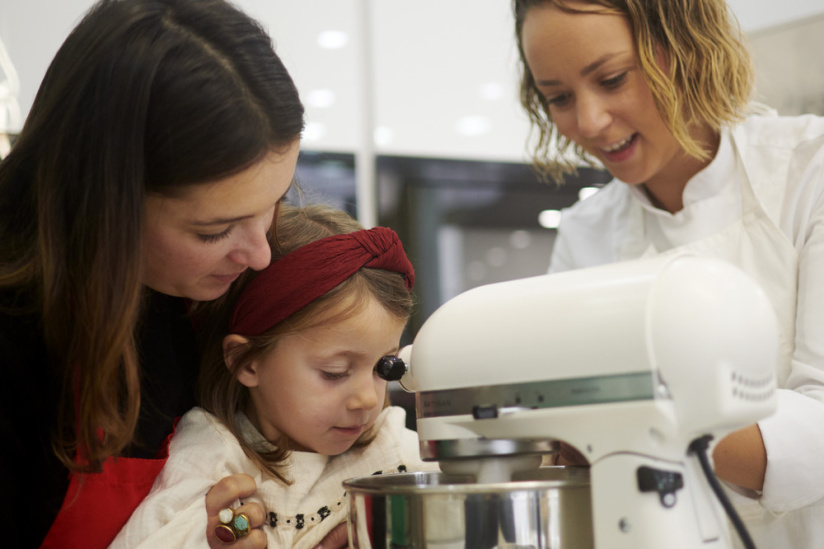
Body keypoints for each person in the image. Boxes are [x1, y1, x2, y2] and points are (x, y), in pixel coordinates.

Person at [0, 0, 319, 547]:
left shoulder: (204, 296)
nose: (259, 254)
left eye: (276, 201)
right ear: (104, 203)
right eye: (213, 231)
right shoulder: (16, 340)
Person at [513, 0, 824, 546]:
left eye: (611, 79)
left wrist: (608, 423)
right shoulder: (586, 231)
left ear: (686, 50)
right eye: (558, 98)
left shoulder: (807, 172)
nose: (588, 122)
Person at [108, 203, 437, 548]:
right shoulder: (214, 458)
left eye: (383, 367)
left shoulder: (392, 446)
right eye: (334, 372)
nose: (368, 399)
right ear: (247, 362)